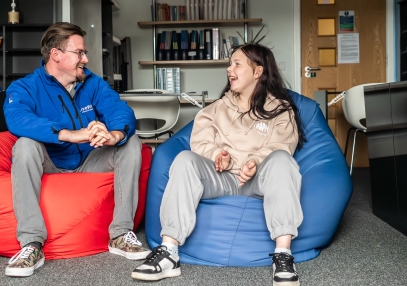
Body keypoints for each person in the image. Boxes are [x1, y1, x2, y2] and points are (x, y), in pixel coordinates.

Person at [131, 43, 306, 285]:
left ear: (258, 72)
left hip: (259, 180)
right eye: (229, 63)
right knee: (184, 160)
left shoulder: (280, 110)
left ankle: (283, 254)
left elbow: (282, 145)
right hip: (220, 177)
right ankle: (169, 252)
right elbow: (199, 141)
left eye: (237, 64)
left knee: (283, 162)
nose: (229, 69)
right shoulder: (215, 109)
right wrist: (217, 155)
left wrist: (254, 161)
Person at [3, 22, 150, 277]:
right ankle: (31, 244)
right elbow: (16, 118)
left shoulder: (91, 83)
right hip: (50, 161)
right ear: (56, 55)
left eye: (85, 52)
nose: (86, 58)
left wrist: (114, 134)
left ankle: (120, 234)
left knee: (131, 141)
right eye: (79, 53)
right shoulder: (25, 87)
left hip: (89, 160)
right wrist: (69, 135)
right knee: (24, 145)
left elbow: (118, 109)